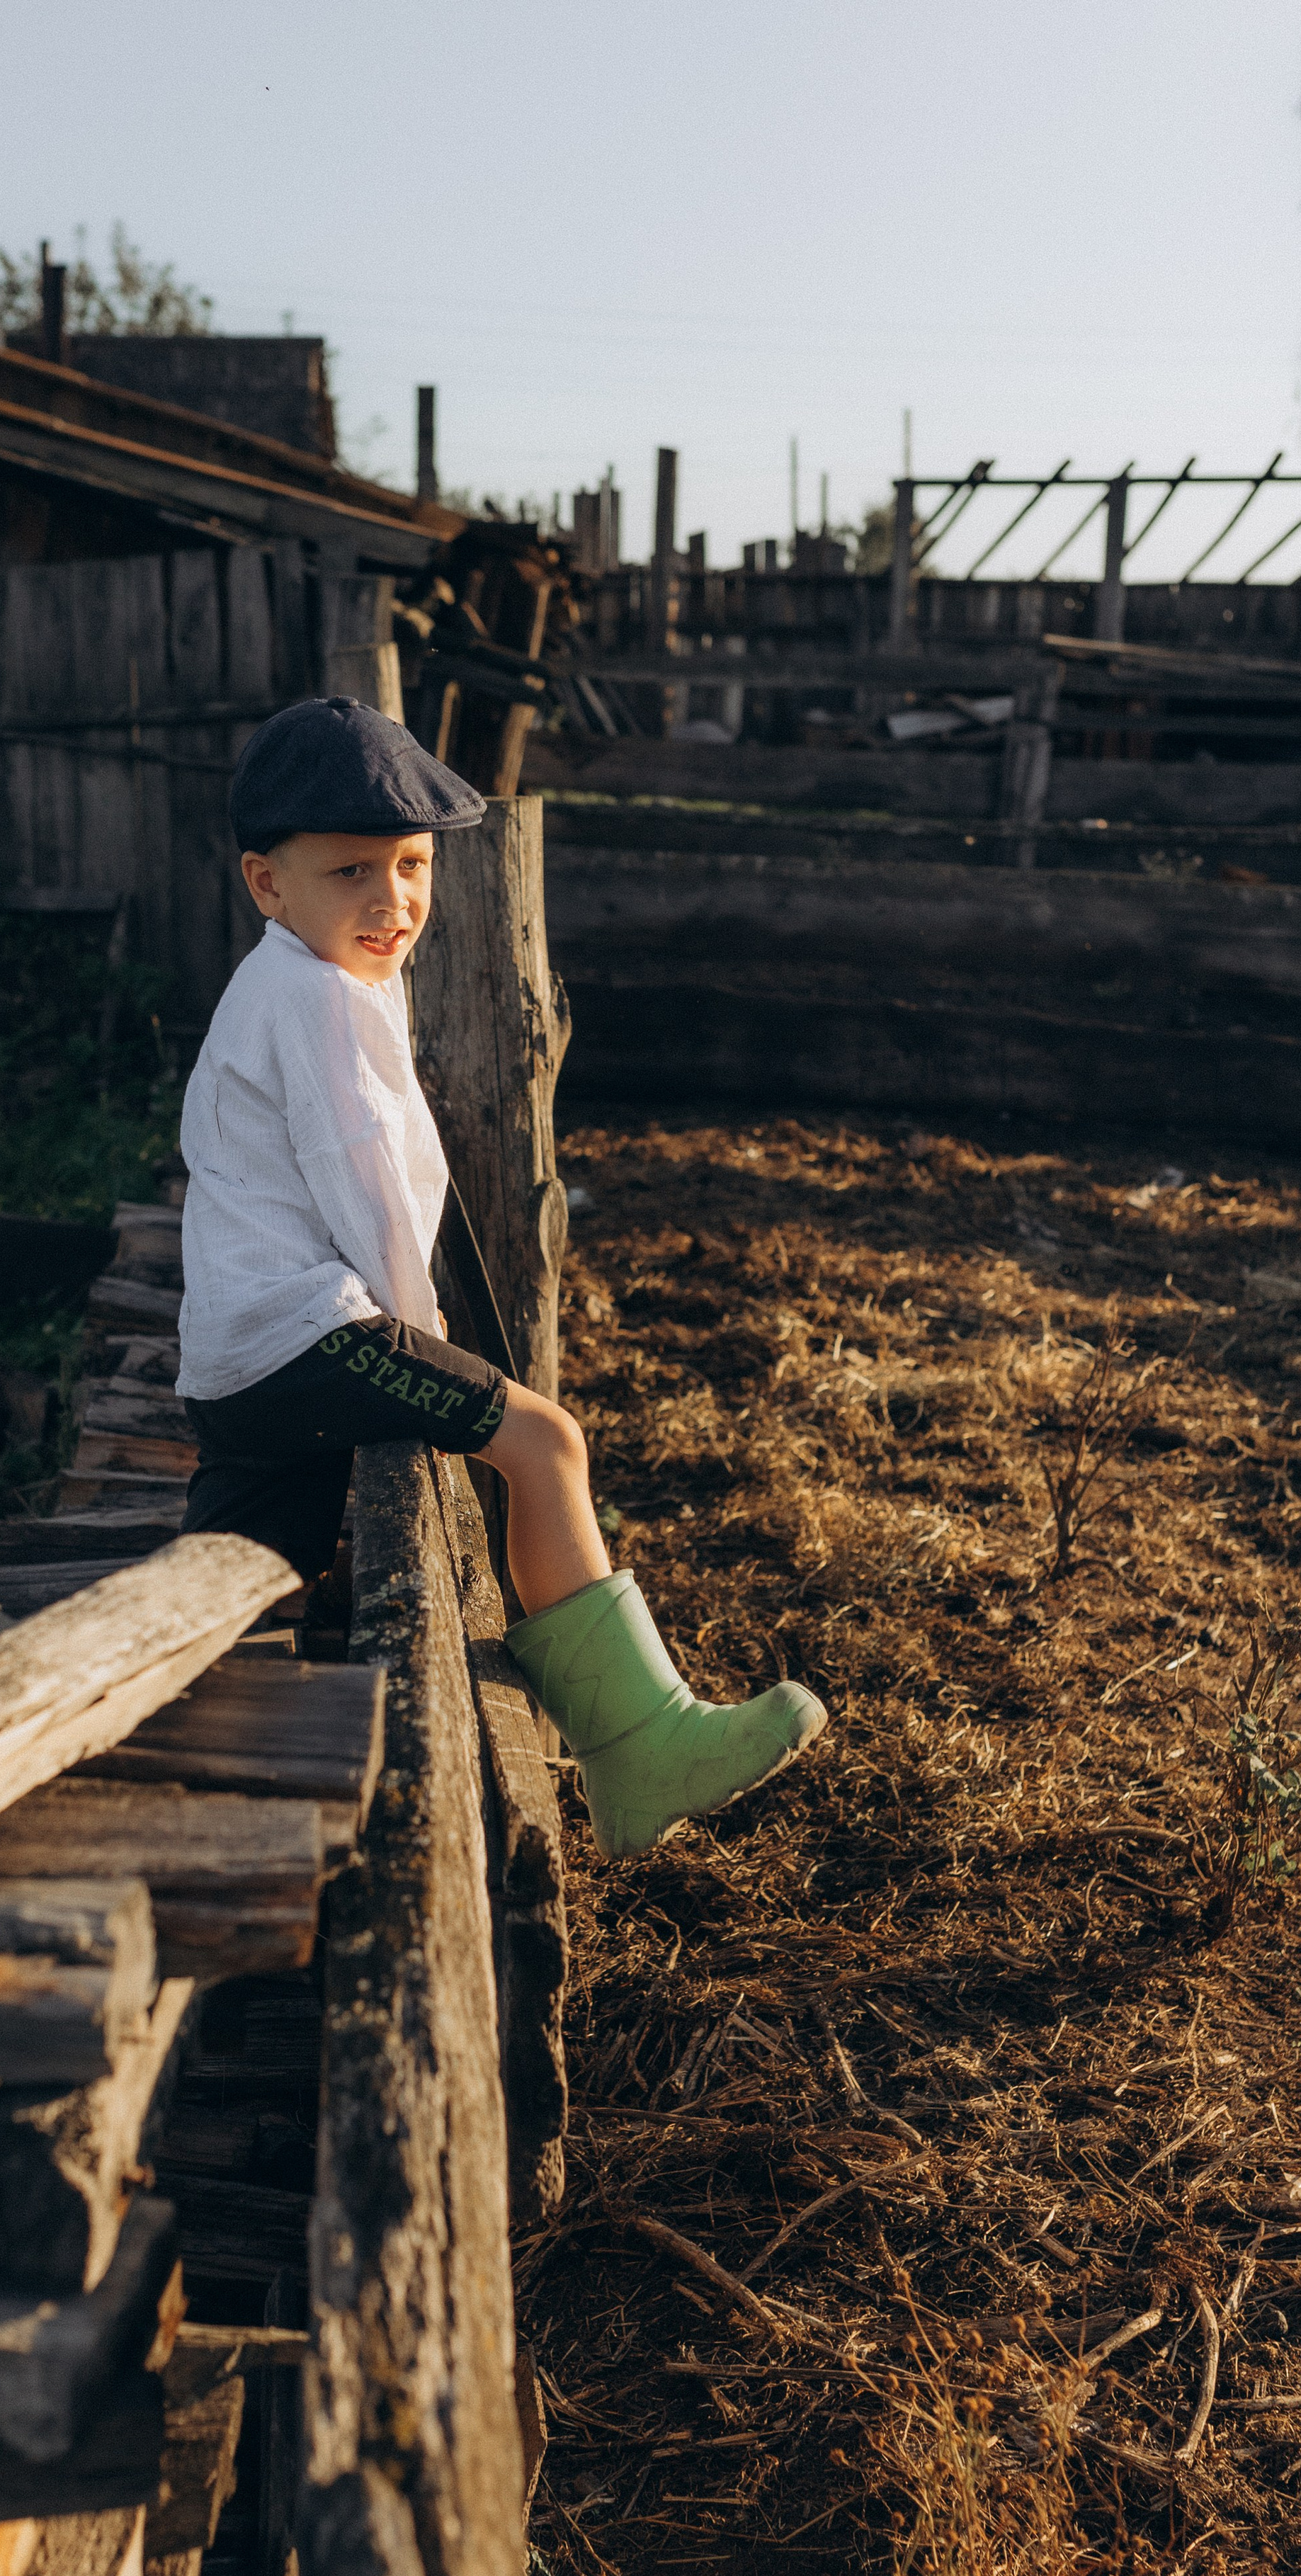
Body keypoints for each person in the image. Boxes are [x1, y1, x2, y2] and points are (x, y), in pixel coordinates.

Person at [176, 696, 826, 1856]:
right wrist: (430, 1349)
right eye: (350, 872)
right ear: (267, 884)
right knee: (544, 1442)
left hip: (246, 1353)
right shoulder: (316, 999)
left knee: (248, 1579)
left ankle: (176, 1736)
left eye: (412, 866)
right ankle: (640, 1743)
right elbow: (368, 1190)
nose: (392, 900)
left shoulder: (303, 980)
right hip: (301, 1335)